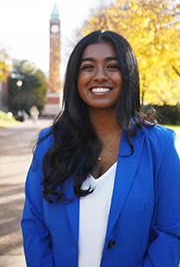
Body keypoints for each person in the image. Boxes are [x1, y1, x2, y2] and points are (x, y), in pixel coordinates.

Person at [21, 30, 180, 267]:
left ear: (128, 75)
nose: (100, 76)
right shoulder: (49, 144)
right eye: (88, 67)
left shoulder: (160, 146)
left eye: (112, 66)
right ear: (75, 77)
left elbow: (171, 233)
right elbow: (34, 225)